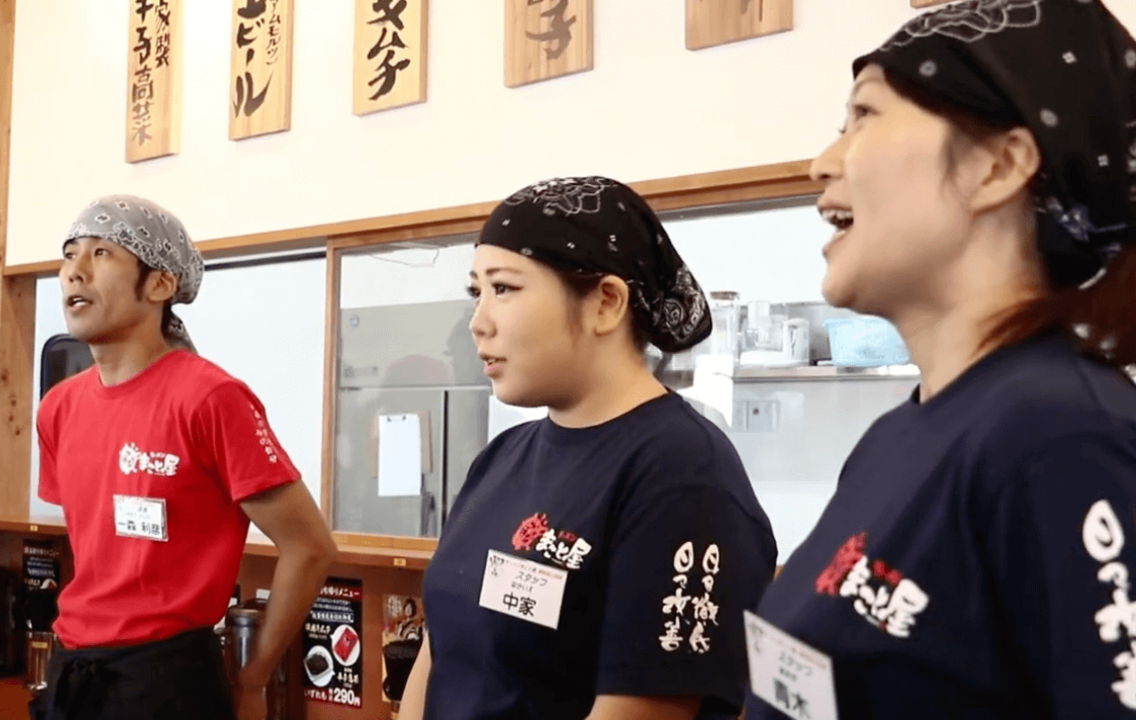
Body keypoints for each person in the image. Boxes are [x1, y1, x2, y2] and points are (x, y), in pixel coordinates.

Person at [744, 1, 1136, 718]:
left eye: (863, 116)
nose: (820, 164)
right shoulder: (899, 436)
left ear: (1000, 165)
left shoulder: (1063, 436)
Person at [399, 177, 778, 720]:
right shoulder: (502, 457)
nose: (478, 323)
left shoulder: (681, 471)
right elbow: (441, 655)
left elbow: (650, 705)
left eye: (503, 289)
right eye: (475, 292)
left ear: (605, 302)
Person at [34, 195, 337, 720]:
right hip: (72, 671)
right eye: (69, 253)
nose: (74, 273)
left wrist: (253, 677)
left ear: (160, 285)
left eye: (102, 253)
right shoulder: (57, 406)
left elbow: (309, 546)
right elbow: (96, 549)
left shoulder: (210, 398)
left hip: (168, 680)